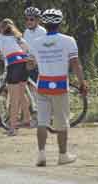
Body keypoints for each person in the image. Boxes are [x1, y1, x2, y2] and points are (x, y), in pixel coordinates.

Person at [31, 9, 88, 166]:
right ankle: (62, 156)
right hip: (60, 85)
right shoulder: (68, 40)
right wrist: (82, 82)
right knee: (62, 122)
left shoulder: (36, 42)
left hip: (42, 84)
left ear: (44, 23)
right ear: (60, 23)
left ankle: (41, 155)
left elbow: (31, 64)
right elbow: (75, 63)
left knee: (42, 121)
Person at [0, 18, 30, 136]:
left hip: (13, 64)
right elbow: (26, 49)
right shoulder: (17, 37)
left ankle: (12, 128)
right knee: (21, 94)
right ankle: (27, 119)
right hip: (23, 62)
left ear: (0, 28)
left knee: (13, 99)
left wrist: (1, 56)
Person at [22, 6, 46, 125]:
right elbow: (26, 48)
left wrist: (35, 60)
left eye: (31, 19)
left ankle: (43, 116)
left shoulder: (42, 31)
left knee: (38, 91)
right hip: (29, 63)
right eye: (27, 19)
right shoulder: (26, 32)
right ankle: (35, 116)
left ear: (37, 20)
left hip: (40, 64)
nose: (29, 22)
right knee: (31, 90)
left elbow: (43, 49)